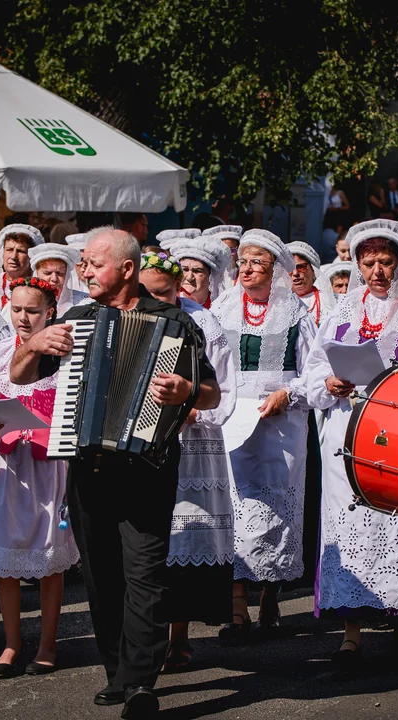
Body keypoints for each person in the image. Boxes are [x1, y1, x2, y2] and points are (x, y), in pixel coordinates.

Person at [10, 227, 220, 718]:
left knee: (144, 574)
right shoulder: (79, 320)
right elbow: (20, 376)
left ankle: (142, 682)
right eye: (82, 262)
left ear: (126, 269)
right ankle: (117, 672)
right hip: (88, 467)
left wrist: (186, 390)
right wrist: (34, 342)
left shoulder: (175, 322)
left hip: (147, 466)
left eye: (93, 263)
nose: (84, 270)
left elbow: (210, 391)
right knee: (102, 578)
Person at [303, 219, 398, 670]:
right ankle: (351, 634)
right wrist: (329, 381)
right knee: (352, 529)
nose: (378, 271)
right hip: (347, 431)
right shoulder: (342, 311)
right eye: (369, 263)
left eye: (387, 262)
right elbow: (310, 372)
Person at [211, 228, 320, 645]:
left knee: (276, 507)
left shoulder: (296, 314)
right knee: (236, 507)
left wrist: (287, 393)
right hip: (234, 421)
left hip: (280, 425)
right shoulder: (222, 310)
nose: (249, 269)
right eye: (245, 261)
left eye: (259, 262)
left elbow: (313, 371)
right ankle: (237, 607)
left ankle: (269, 594)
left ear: (276, 269)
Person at [137, 251, 237, 672]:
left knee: (184, 535)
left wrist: (189, 410)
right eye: (146, 294)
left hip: (193, 446)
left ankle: (178, 636)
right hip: (142, 443)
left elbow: (225, 390)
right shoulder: (132, 316)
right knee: (147, 539)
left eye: (162, 294)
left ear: (180, 289)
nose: (153, 302)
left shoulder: (203, 324)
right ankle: (146, 639)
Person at [0, 277, 80, 678]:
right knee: (6, 556)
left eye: (32, 311)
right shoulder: (2, 353)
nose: (22, 317)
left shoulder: (64, 353)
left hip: (48, 463)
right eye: (17, 309)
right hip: (7, 463)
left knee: (49, 556)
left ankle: (48, 643)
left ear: (50, 311)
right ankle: (11, 643)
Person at [0, 224, 45, 311]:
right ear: (2, 253)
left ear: (31, 256)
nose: (13, 256)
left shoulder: (39, 287)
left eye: (20, 251)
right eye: (9, 250)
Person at [174, 238, 232, 309]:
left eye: (197, 271)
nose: (189, 277)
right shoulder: (171, 300)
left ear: (211, 275)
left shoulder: (221, 305)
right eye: (185, 270)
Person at [286, 241, 334, 326]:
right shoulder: (278, 303)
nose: (295, 273)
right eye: (289, 269)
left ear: (313, 270)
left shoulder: (330, 301)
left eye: (301, 267)